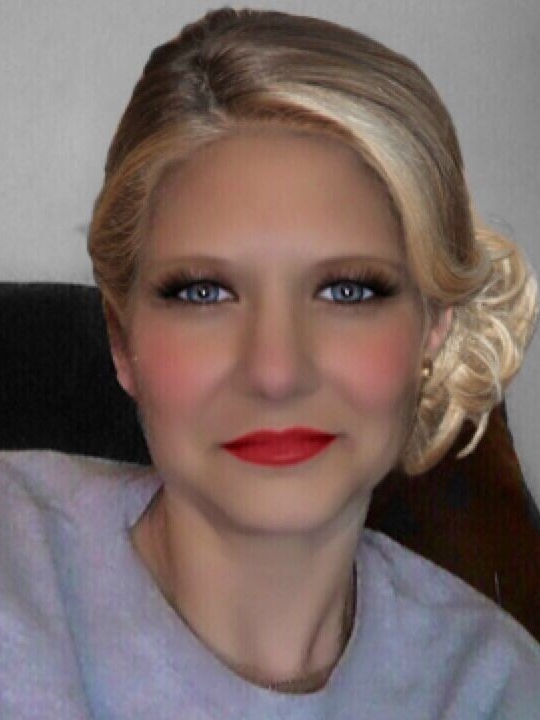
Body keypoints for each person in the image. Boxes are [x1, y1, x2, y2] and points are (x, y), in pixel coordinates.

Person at [1, 6, 539, 718]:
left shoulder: (500, 689)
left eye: (347, 290)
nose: (276, 373)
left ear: (433, 326)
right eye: (204, 292)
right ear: (121, 339)